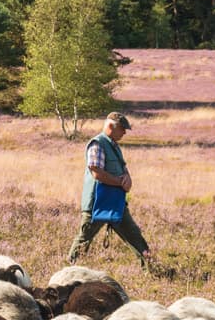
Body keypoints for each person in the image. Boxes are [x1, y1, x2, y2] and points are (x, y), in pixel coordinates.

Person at [66, 111, 159, 271]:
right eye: (122, 128)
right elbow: (96, 172)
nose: (124, 132)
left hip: (115, 202)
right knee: (83, 240)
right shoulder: (97, 144)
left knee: (134, 235)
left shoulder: (114, 146)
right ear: (110, 126)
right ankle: (69, 273)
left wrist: (128, 180)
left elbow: (123, 169)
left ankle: (152, 269)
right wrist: (119, 182)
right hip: (97, 204)